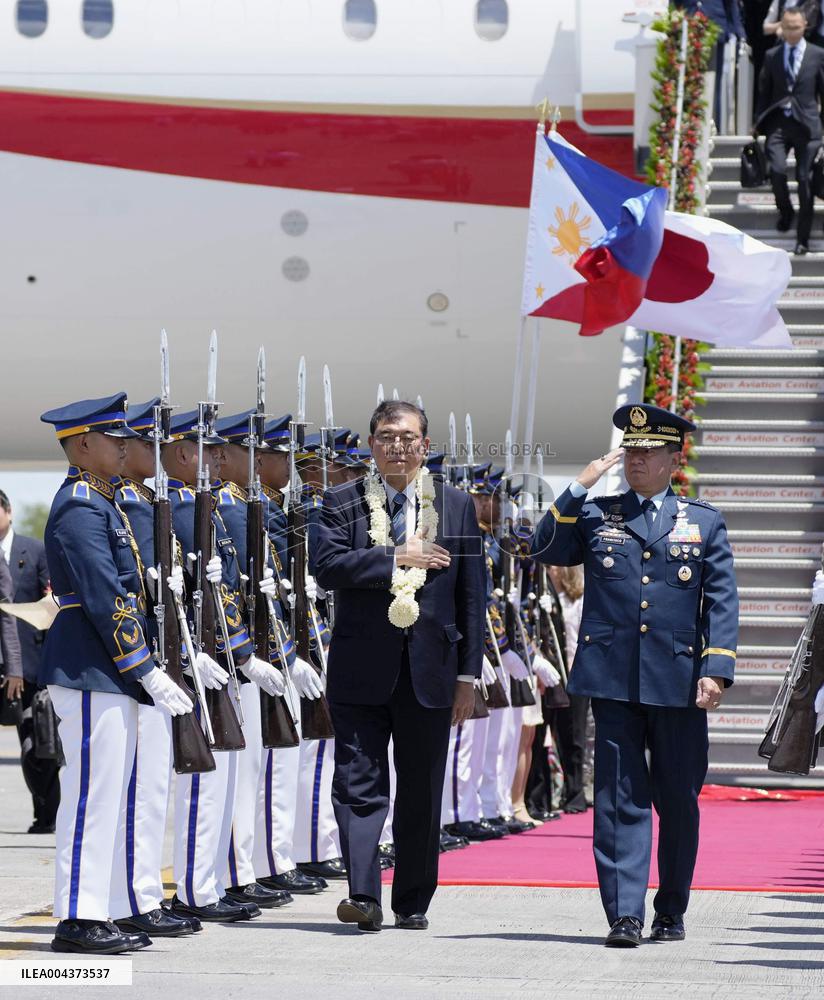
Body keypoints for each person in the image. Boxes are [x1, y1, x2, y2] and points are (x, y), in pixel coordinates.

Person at [532, 403, 738, 948]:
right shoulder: (599, 513)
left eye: (648, 453)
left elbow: (720, 601)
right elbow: (543, 546)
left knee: (677, 800)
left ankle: (670, 907)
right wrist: (579, 486)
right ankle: (624, 913)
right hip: (613, 678)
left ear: (674, 459)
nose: (636, 462)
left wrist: (716, 670)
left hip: (677, 682)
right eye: (632, 452)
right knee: (619, 801)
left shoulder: (703, 520)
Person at [315, 399, 485, 932]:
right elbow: (326, 566)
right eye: (387, 436)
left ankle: (412, 899)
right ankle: (363, 894)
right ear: (372, 444)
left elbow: (472, 596)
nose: (398, 445)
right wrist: (396, 558)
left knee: (421, 791)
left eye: (408, 437)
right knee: (359, 784)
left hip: (432, 673)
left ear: (425, 446)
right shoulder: (341, 501)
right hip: (360, 670)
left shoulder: (455, 506)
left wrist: (467, 677)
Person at [39, 393, 194, 954]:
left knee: (114, 792)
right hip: (87, 664)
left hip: (107, 669)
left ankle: (100, 907)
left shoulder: (103, 502)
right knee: (92, 795)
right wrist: (145, 669)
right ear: (83, 445)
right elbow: (106, 597)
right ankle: (77, 917)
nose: (128, 446)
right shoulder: (80, 505)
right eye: (116, 438)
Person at [0, 490, 58, 834]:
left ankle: (46, 813)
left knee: (36, 744)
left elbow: (49, 605)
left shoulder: (34, 551)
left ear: (8, 511)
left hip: (28, 662)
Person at [754, 6, 824, 254]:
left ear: (805, 25)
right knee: (777, 172)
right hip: (779, 124)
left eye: (796, 27)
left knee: (804, 181)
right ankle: (785, 211)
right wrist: (758, 122)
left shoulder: (818, 55)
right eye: (787, 27)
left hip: (807, 125)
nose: (792, 32)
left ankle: (802, 238)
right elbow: (764, 90)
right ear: (781, 27)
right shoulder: (773, 55)